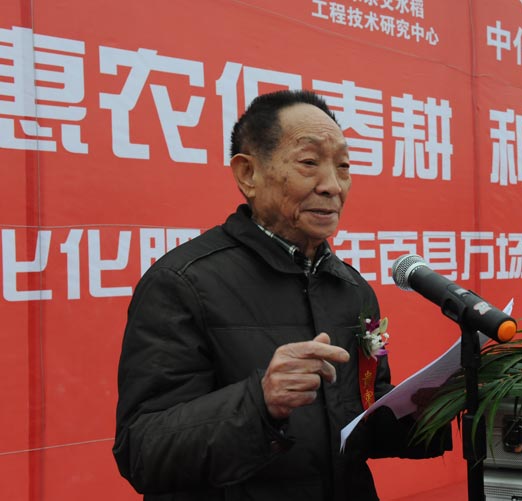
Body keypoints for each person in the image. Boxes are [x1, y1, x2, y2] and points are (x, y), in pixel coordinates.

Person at [113, 89, 449, 501]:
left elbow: (359, 421)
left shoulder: (351, 288)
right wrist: (259, 402)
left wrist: (433, 408)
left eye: (343, 166)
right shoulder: (181, 283)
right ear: (248, 174)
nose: (333, 186)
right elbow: (143, 450)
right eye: (309, 163)